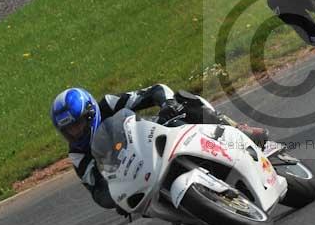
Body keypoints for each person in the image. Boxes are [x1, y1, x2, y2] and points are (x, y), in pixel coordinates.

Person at [50, 84, 269, 211]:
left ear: (90, 113)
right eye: (69, 131)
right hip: (139, 176)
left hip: (156, 135)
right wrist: (114, 198)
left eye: (78, 125)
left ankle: (238, 131)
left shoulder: (107, 104)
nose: (75, 133)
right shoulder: (78, 154)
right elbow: (97, 192)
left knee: (185, 102)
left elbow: (154, 90)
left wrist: (167, 103)